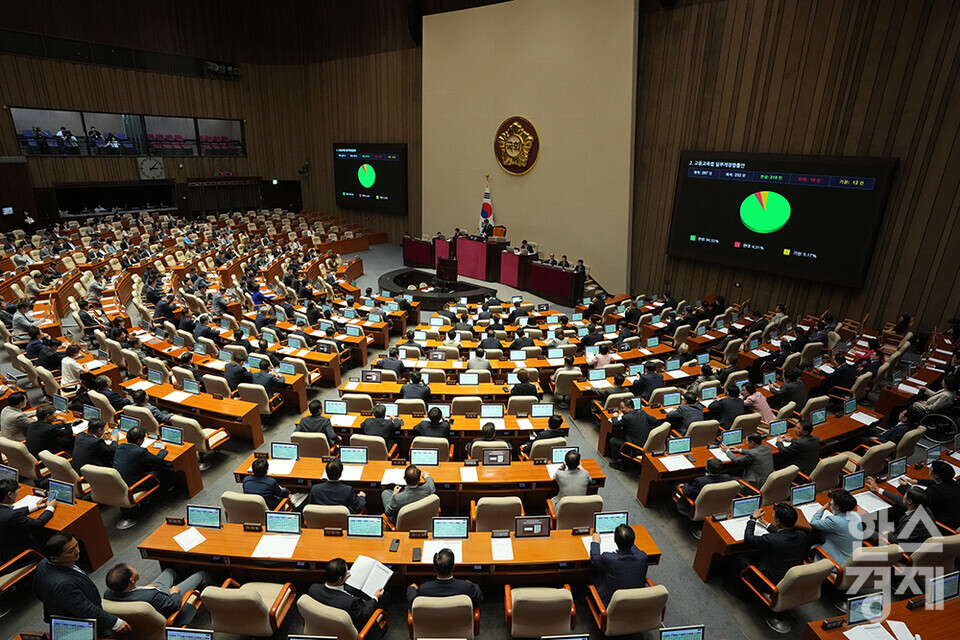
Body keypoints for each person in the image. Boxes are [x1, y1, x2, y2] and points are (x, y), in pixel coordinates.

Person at [33, 532, 132, 634]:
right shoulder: (63, 585)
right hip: (83, 626)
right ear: (54, 558)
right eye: (71, 551)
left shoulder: (43, 564)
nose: (78, 551)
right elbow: (85, 609)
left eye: (76, 545)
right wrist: (114, 622)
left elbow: (37, 591)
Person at [308, 558, 389, 640]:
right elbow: (364, 615)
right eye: (347, 572)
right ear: (340, 579)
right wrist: (375, 598)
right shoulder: (350, 603)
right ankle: (379, 629)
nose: (349, 574)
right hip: (354, 627)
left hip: (324, 624)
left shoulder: (313, 589)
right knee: (384, 596)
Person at [104, 563, 212, 621]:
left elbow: (132, 594)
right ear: (131, 580)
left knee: (169, 572)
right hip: (168, 601)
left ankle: (184, 581)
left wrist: (142, 588)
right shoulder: (152, 596)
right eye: (133, 569)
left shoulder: (108, 593)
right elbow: (174, 604)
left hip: (143, 594)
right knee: (201, 575)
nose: (135, 569)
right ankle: (213, 593)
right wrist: (174, 592)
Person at [737, 503, 808, 589]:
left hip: (771, 583)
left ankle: (740, 591)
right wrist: (766, 524)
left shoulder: (771, 539)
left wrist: (753, 519)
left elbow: (748, 539)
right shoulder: (802, 535)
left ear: (777, 521)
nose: (772, 516)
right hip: (790, 579)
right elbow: (784, 534)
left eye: (773, 515)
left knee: (739, 558)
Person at [885, 460, 960, 530]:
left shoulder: (935, 491)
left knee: (900, 508)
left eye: (930, 470)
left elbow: (916, 498)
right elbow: (935, 483)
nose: (929, 471)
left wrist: (904, 486)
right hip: (955, 518)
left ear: (937, 476)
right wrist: (917, 481)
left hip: (940, 525)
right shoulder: (956, 483)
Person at [0, 477, 56, 564]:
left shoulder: (6, 512)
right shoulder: (12, 516)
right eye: (16, 492)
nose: (17, 494)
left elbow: (8, 513)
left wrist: (35, 506)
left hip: (4, 546)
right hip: (17, 557)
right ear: (9, 495)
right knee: (52, 538)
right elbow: (38, 524)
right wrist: (50, 507)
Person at [589, 524, 648, 605]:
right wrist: (625, 538)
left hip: (611, 603)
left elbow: (595, 560)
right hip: (636, 600)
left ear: (614, 540)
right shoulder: (643, 557)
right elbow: (635, 549)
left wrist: (595, 542)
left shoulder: (609, 558)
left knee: (592, 576)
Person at [407, 547, 484, 607]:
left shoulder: (424, 589)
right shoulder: (466, 587)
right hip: (459, 624)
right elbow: (479, 597)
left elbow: (413, 603)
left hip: (432, 624)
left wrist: (411, 588)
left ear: (434, 568)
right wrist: (471, 584)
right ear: (453, 567)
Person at [865, 481, 937, 545]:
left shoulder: (912, 522)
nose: (903, 496)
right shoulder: (923, 506)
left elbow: (896, 541)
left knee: (864, 529)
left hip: (904, 549)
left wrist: (886, 533)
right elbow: (899, 500)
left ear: (909, 501)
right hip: (913, 538)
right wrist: (878, 489)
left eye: (905, 495)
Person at [809, 489, 864, 565]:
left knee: (811, 543)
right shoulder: (856, 515)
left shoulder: (834, 521)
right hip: (855, 559)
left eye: (832, 501)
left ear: (837, 507)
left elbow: (813, 523)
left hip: (839, 563)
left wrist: (823, 508)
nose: (830, 502)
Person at [607, 398, 651, 468]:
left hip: (636, 449)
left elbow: (616, 424)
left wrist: (614, 417)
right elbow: (654, 421)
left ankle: (621, 463)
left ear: (629, 407)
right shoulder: (642, 412)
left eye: (622, 408)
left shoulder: (626, 417)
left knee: (612, 440)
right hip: (647, 444)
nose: (621, 410)